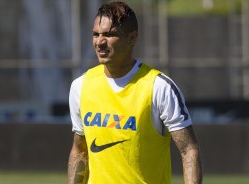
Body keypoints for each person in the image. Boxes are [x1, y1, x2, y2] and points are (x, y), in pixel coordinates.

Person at [68, 1, 202, 184]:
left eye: (110, 34)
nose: (100, 42)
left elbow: (189, 150)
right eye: (96, 34)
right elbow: (80, 150)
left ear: (132, 38)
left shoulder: (159, 87)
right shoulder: (81, 86)